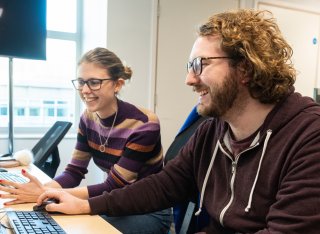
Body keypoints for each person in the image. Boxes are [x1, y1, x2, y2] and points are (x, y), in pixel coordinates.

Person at [34, 9, 320, 233]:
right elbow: (164, 185)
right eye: (189, 66)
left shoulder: (309, 136)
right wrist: (86, 206)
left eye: (200, 65)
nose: (189, 79)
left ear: (244, 67)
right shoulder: (212, 131)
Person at [0, 47, 172, 234]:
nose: (85, 90)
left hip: (148, 210)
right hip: (114, 202)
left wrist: (44, 193)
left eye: (94, 82)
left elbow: (114, 185)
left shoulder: (144, 124)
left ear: (118, 84)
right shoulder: (88, 118)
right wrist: (42, 189)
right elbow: (74, 172)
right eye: (81, 82)